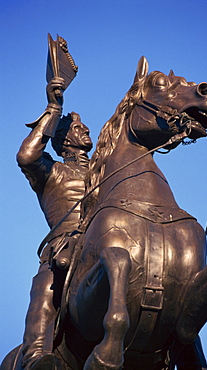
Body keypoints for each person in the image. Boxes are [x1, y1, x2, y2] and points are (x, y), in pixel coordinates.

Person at [16, 77, 92, 370]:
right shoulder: (51, 172)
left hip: (111, 238)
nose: (86, 129)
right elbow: (26, 156)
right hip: (65, 247)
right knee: (45, 285)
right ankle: (35, 357)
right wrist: (54, 107)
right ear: (62, 140)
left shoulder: (108, 170)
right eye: (77, 128)